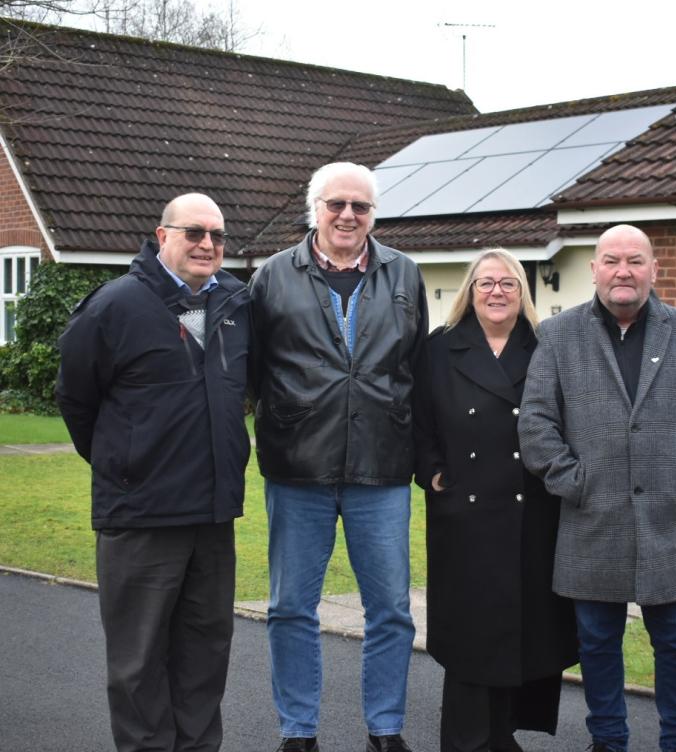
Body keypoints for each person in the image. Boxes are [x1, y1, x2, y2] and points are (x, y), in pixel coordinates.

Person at [518, 224, 676, 752]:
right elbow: (535, 423)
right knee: (597, 644)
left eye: (636, 261)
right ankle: (609, 741)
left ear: (653, 270)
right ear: (594, 268)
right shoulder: (558, 335)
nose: (624, 271)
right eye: (613, 260)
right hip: (590, 521)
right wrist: (573, 481)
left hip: (667, 523)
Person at [56, 193, 251, 752]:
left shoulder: (237, 304)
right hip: (141, 515)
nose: (208, 245)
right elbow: (76, 399)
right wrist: (127, 464)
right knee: (138, 664)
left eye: (217, 235)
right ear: (162, 236)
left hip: (213, 515)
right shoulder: (113, 306)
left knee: (205, 655)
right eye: (194, 233)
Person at [249, 161, 428, 752]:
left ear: (373, 213)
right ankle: (298, 732)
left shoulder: (405, 273)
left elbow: (417, 370)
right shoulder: (273, 276)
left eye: (361, 206)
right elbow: (252, 372)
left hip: (383, 466)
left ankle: (386, 728)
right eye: (336, 205)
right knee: (290, 608)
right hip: (298, 466)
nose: (348, 215)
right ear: (315, 209)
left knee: (393, 612)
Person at [413, 249, 579, 752]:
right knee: (471, 627)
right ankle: (465, 740)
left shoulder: (545, 345)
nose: (496, 292)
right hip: (465, 510)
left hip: (533, 508)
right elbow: (417, 418)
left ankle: (503, 734)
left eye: (507, 283)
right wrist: (432, 471)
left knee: (523, 623)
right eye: (486, 283)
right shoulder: (440, 347)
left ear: (522, 292)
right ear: (470, 290)